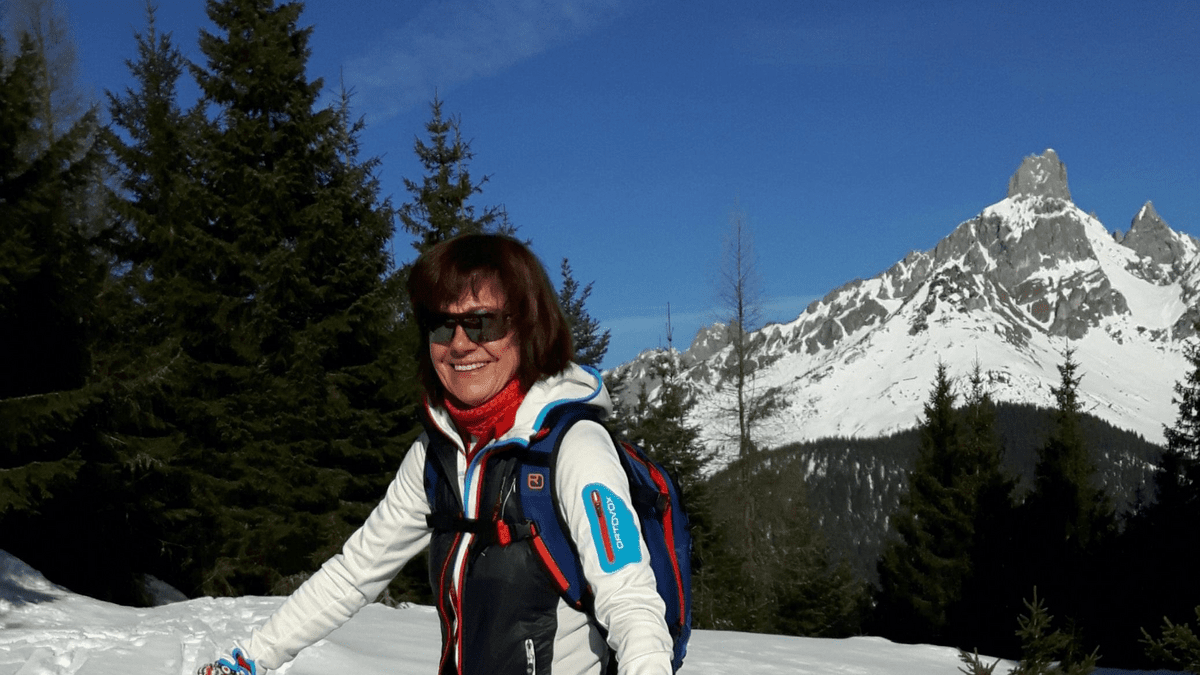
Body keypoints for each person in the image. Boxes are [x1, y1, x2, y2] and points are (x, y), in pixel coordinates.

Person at [196, 233, 674, 675]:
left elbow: (630, 601)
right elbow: (354, 574)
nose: (460, 344)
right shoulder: (437, 455)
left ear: (528, 327)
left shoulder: (574, 446)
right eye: (442, 325)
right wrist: (251, 658)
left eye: (482, 322)